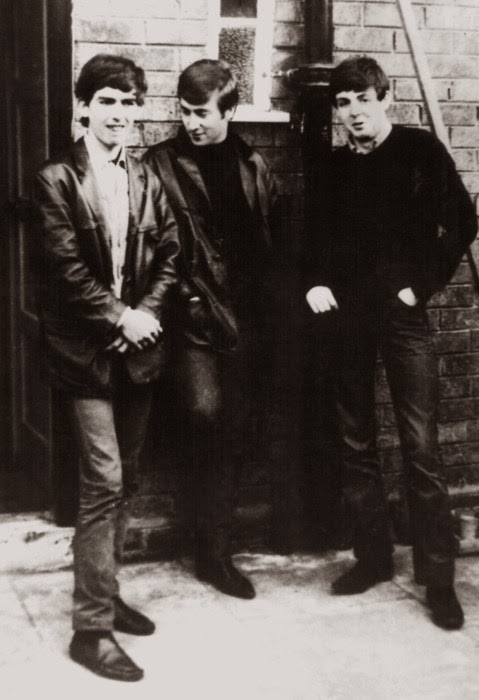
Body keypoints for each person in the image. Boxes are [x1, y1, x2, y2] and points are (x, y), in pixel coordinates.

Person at [305, 56, 477, 630]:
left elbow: (463, 220)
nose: (354, 111)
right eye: (343, 102)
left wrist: (420, 286)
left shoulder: (418, 150)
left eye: (363, 99)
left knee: (420, 445)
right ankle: (373, 558)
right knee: (355, 440)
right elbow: (312, 235)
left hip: (402, 316)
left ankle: (438, 579)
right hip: (346, 318)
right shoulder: (331, 166)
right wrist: (315, 282)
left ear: (386, 99)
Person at [33, 54, 179, 681]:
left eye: (128, 102)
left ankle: (107, 589)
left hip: (137, 350)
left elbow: (171, 254)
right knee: (104, 480)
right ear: (83, 107)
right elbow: (64, 271)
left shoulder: (145, 176)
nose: (118, 113)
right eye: (107, 101)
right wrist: (120, 318)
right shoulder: (56, 179)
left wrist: (144, 315)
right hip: (84, 354)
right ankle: (90, 629)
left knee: (130, 476)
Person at [145, 59, 278, 600]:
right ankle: (205, 541)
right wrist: (188, 297)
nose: (192, 123)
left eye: (202, 113)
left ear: (230, 111)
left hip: (245, 319)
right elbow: (149, 243)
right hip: (192, 318)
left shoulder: (253, 164)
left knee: (234, 429)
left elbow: (269, 242)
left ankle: (215, 552)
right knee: (204, 414)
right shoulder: (159, 164)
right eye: (185, 111)